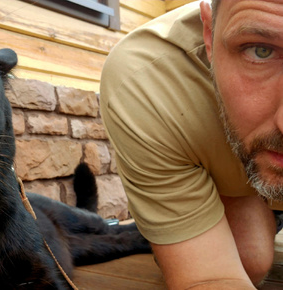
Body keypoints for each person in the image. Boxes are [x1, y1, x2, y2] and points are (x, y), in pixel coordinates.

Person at [100, 0, 283, 288]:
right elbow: (210, 278)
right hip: (236, 164)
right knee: (248, 260)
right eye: (261, 50)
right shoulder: (148, 81)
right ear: (208, 34)